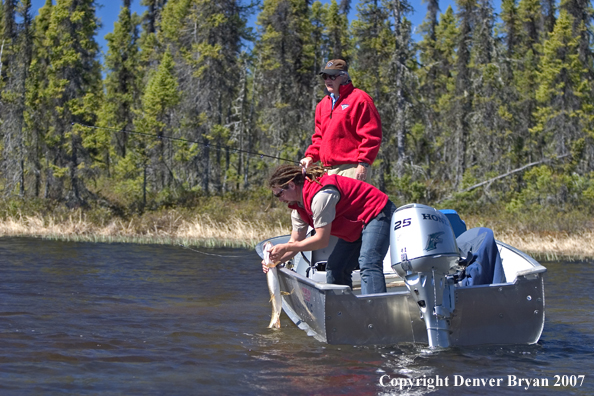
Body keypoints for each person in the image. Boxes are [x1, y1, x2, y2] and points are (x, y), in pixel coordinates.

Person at [263, 164, 396, 295]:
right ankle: (344, 312)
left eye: (279, 194)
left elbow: (321, 241)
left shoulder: (321, 196)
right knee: (336, 268)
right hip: (355, 224)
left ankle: (375, 313)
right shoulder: (298, 209)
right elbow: (294, 242)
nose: (280, 200)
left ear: (292, 185)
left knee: (369, 264)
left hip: (377, 212)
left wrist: (285, 248)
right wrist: (274, 261)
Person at [300, 59, 382, 182]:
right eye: (325, 76)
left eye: (332, 76)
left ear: (344, 77)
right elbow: (319, 137)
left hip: (352, 168)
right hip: (327, 171)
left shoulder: (360, 99)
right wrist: (310, 157)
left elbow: (371, 135)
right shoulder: (322, 105)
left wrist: (364, 163)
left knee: (352, 202)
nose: (327, 80)